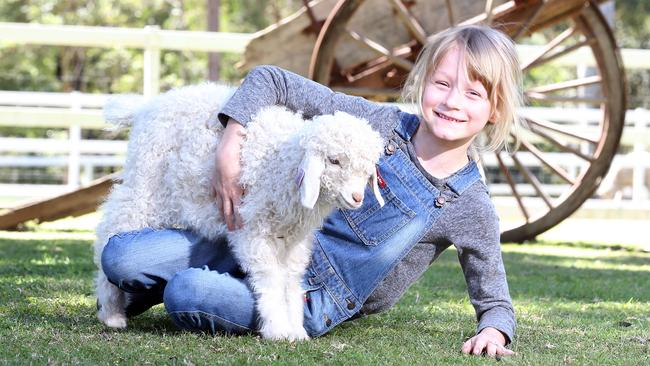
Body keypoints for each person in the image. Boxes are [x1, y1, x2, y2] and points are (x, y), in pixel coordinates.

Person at [100, 24, 522, 358]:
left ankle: (173, 286)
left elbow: (494, 296)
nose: (452, 102)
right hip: (254, 239)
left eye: (473, 93)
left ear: (495, 110)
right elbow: (272, 80)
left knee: (187, 292)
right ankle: (154, 279)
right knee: (121, 256)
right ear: (423, 83)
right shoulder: (378, 124)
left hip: (309, 297)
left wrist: (493, 329)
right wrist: (230, 144)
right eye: (443, 84)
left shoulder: (466, 201)